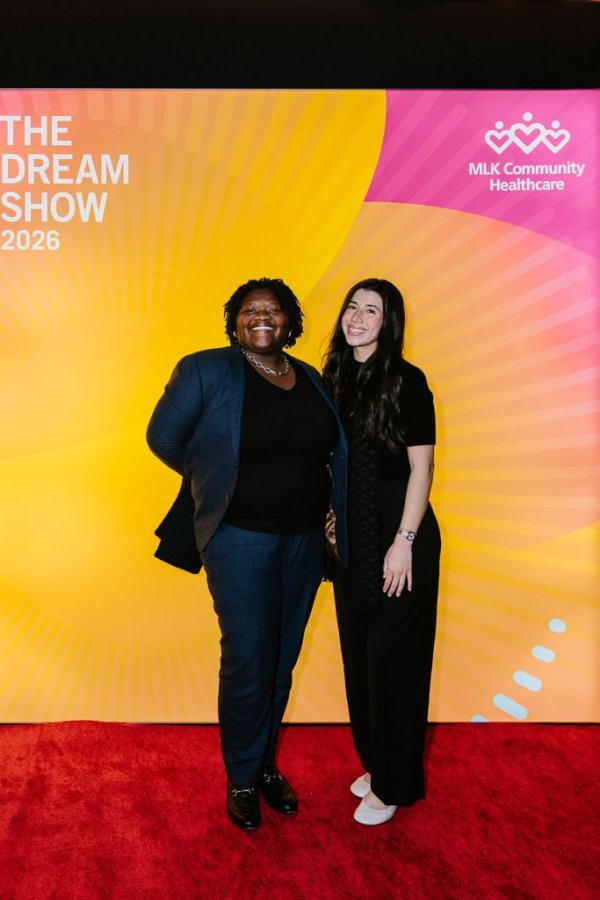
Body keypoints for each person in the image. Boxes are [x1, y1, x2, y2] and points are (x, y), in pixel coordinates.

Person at [147, 277, 348, 831]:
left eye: (274, 310)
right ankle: (239, 775)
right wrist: (216, 480)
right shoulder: (205, 369)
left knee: (282, 659)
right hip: (240, 537)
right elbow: (163, 438)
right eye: (250, 310)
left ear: (290, 322)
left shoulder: (309, 378)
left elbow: (329, 453)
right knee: (247, 661)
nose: (263, 318)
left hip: (304, 542)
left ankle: (263, 766)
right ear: (235, 320)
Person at [323, 277, 441, 826]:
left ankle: (396, 783)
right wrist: (329, 517)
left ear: (388, 322)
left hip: (401, 543)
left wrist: (405, 542)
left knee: (395, 663)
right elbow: (331, 465)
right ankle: (377, 762)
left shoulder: (408, 381)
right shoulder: (335, 380)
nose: (358, 317)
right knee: (360, 660)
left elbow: (422, 468)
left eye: (372, 310)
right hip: (353, 544)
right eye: (352, 306)